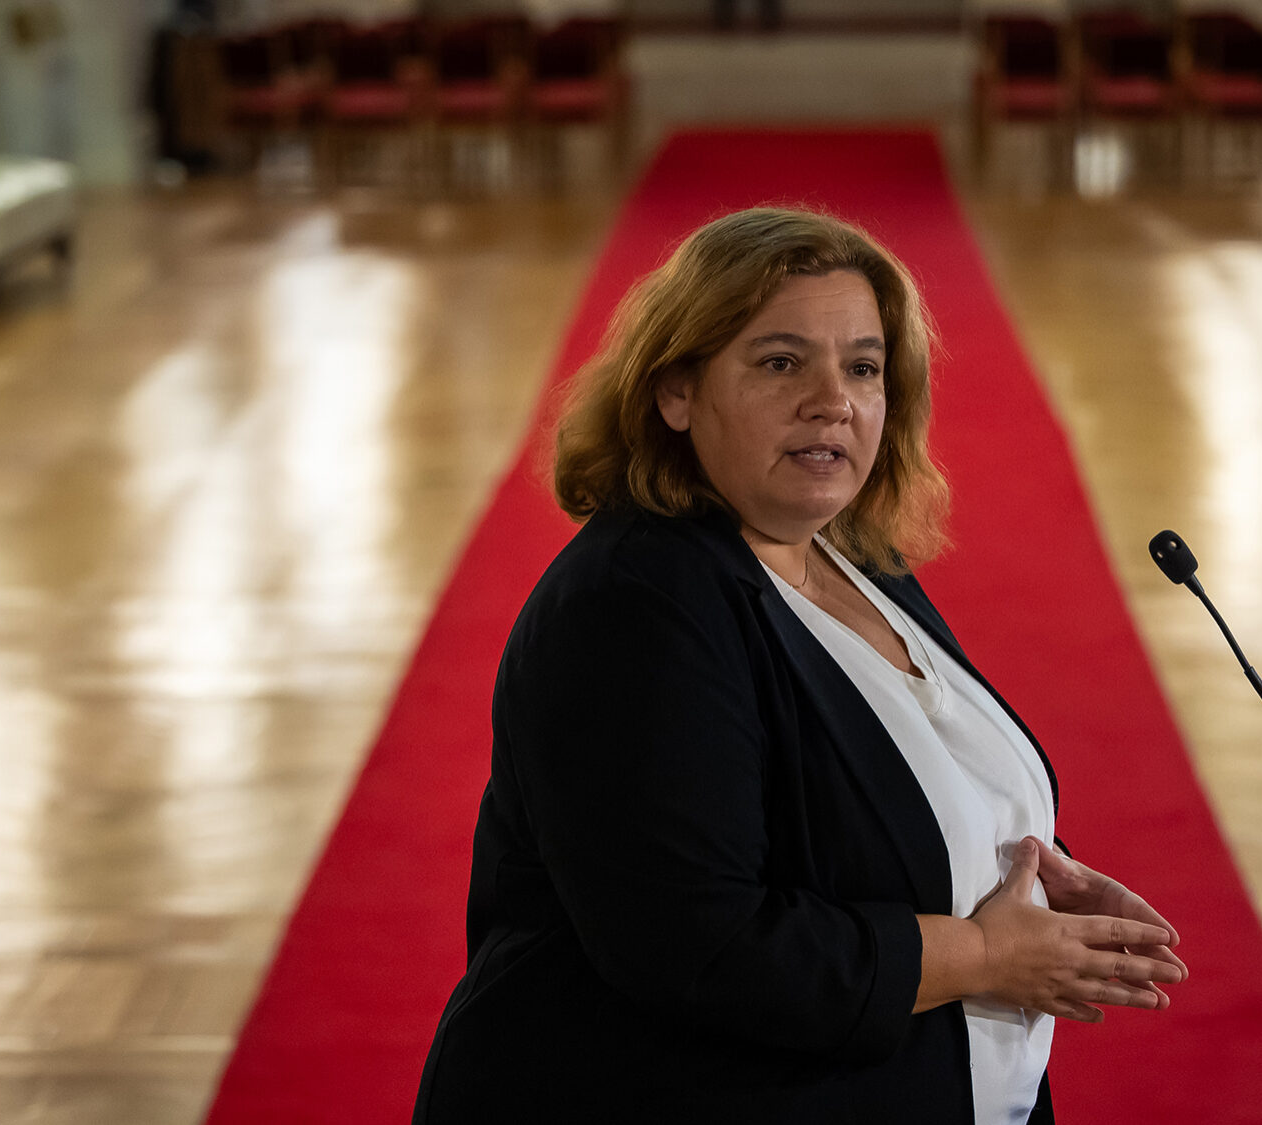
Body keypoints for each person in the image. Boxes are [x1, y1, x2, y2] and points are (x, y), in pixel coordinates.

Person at [412, 207, 1186, 1124]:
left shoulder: (851, 556)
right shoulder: (630, 607)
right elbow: (703, 948)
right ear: (676, 392)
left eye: (862, 367)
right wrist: (988, 956)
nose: (833, 401)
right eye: (781, 363)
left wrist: (1040, 882)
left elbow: (869, 806)